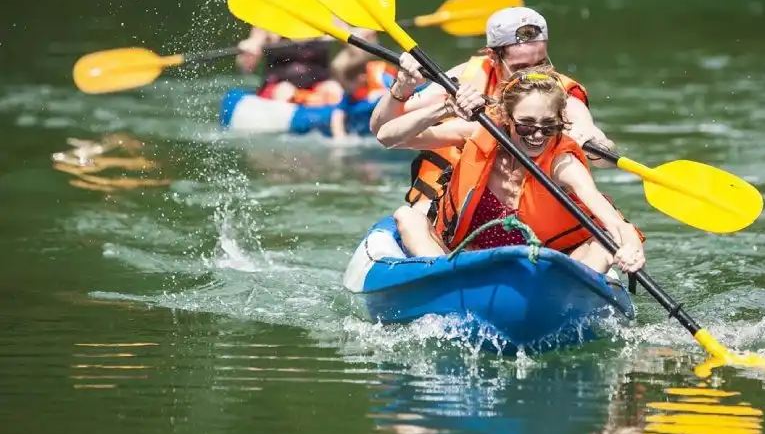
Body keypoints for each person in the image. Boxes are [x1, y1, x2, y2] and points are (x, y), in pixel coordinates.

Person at [376, 66, 645, 274]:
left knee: (605, 241)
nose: (538, 135)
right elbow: (387, 137)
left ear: (560, 122)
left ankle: (566, 300)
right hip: (469, 262)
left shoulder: (562, 161)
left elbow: (611, 219)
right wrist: (444, 108)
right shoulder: (480, 133)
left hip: (547, 270)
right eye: (526, 125)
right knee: (407, 216)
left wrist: (631, 247)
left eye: (548, 126)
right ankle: (445, 286)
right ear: (506, 118)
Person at [235, 26, 343, 106]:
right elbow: (246, 68)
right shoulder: (268, 18)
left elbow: (352, 49)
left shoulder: (329, 15)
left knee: (334, 89)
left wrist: (357, 37)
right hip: (278, 86)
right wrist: (248, 52)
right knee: (285, 91)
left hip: (317, 86)